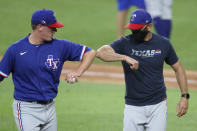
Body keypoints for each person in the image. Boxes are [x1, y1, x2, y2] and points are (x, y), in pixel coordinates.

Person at [0, 9, 96, 131]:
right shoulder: (15, 50)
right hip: (26, 109)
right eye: (52, 28)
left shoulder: (60, 46)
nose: (55, 30)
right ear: (40, 27)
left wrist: (78, 72)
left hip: (50, 108)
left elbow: (90, 52)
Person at [96, 9, 189, 131]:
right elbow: (100, 53)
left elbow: (179, 69)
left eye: (137, 29)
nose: (134, 32)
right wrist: (124, 57)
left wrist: (184, 96)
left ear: (149, 27)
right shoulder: (125, 43)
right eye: (132, 29)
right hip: (133, 107)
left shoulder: (163, 44)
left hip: (158, 105)